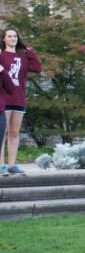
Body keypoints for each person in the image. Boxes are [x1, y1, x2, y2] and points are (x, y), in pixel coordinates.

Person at [1, 28, 42, 176]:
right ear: (4, 39)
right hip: (4, 98)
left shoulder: (22, 57)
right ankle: (2, 166)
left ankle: (12, 165)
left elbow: (37, 68)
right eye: (9, 36)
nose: (13, 38)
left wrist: (29, 51)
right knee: (2, 133)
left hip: (19, 98)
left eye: (15, 36)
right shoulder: (1, 55)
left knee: (14, 133)